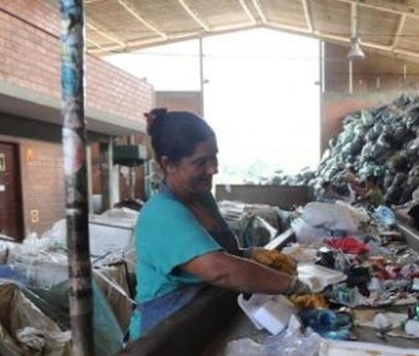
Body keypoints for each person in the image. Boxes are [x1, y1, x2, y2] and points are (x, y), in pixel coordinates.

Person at [128, 108, 311, 341]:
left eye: (214, 157)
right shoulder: (162, 213)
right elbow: (219, 270)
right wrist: (293, 286)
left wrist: (250, 254)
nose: (213, 169)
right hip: (159, 343)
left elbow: (219, 252)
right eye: (201, 162)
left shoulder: (202, 198)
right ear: (168, 164)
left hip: (202, 324)